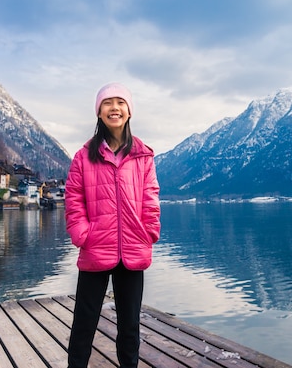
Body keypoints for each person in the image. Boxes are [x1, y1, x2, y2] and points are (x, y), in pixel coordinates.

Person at [65, 82, 161, 368]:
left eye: (120, 103)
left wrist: (149, 232)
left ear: (129, 112)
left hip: (133, 249)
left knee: (130, 327)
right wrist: (83, 234)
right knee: (84, 324)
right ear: (99, 112)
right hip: (96, 248)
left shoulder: (143, 156)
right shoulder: (83, 157)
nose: (114, 108)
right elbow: (73, 199)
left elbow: (151, 197)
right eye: (108, 103)